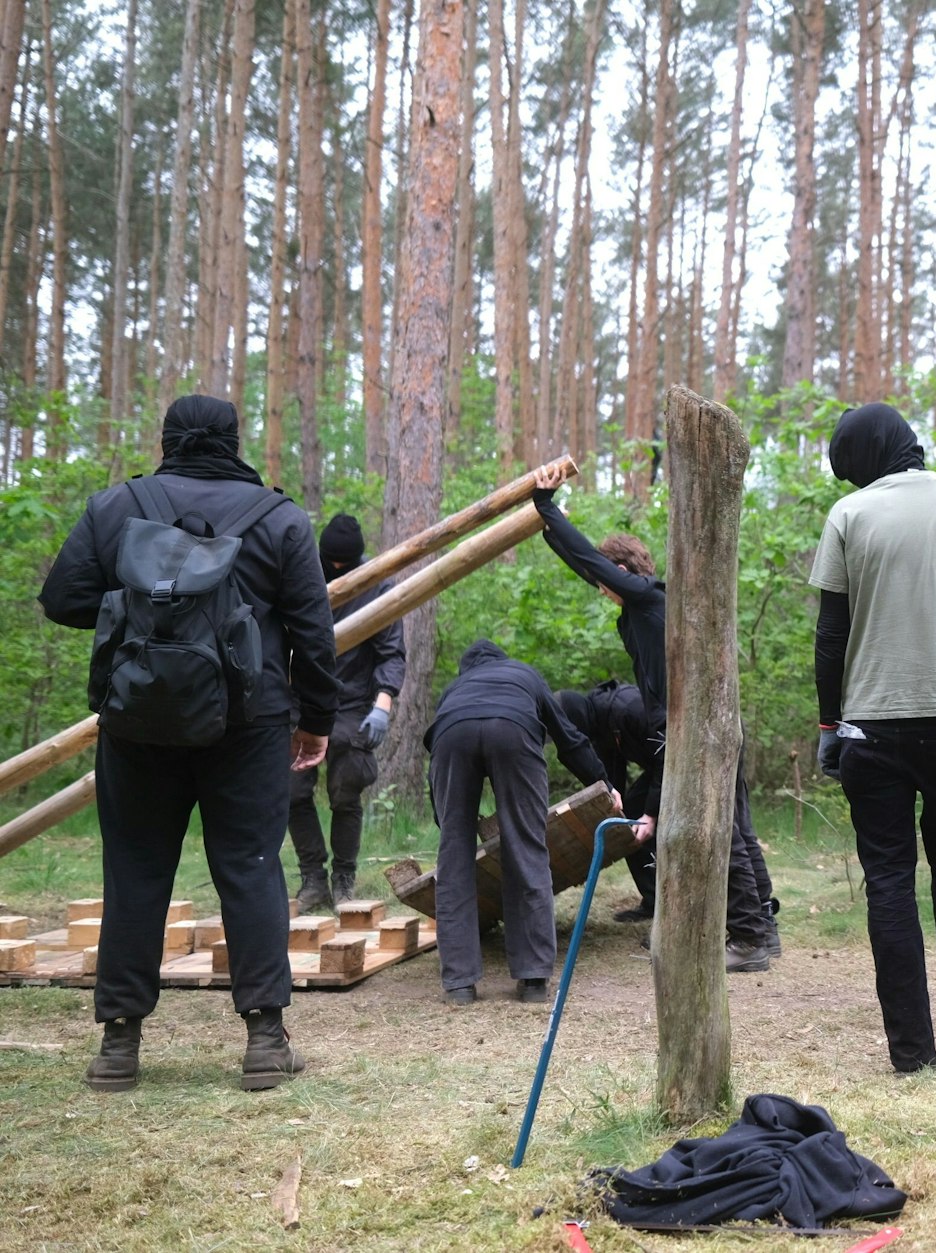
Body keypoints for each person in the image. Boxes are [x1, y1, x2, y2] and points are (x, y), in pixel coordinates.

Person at [39, 394, 338, 1093]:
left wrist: (138, 615)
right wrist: (316, 718)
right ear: (235, 440)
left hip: (137, 720)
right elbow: (312, 634)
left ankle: (119, 1045)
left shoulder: (117, 508)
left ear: (168, 437)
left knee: (137, 869)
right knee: (252, 865)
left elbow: (61, 599)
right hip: (249, 723)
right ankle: (265, 1040)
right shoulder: (279, 518)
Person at [810, 402, 936, 1073]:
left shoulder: (851, 517)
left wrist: (828, 724)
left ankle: (911, 1052)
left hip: (872, 726)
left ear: (866, 455)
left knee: (890, 880)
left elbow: (831, 637)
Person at [530, 467, 777, 971]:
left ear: (621, 571)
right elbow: (587, 567)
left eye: (605, 578)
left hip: (699, 727)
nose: (600, 588)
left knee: (722, 832)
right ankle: (762, 932)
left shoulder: (647, 598)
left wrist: (547, 506)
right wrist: (545, 526)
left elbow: (591, 566)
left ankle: (750, 939)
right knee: (736, 828)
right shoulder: (642, 605)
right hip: (713, 722)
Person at [424, 640, 620, 1005]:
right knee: (526, 848)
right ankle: (532, 979)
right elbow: (568, 738)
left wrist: (449, 824)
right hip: (513, 728)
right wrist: (603, 783)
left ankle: (460, 983)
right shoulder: (524, 674)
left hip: (453, 734)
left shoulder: (455, 689)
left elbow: (436, 757)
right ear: (503, 661)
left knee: (453, 861)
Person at [554, 681, 781, 962]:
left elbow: (672, 748)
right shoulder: (599, 724)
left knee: (731, 831)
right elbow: (612, 782)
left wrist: (651, 814)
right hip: (678, 757)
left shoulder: (625, 708)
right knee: (631, 812)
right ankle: (654, 901)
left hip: (711, 741)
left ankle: (757, 931)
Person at [287, 514, 405, 911]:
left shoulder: (378, 585)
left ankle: (344, 879)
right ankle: (312, 879)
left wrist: (383, 706)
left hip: (352, 703)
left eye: (344, 567)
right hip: (298, 701)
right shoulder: (299, 576)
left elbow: (391, 653)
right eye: (331, 565)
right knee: (291, 791)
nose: (337, 571)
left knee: (346, 788)